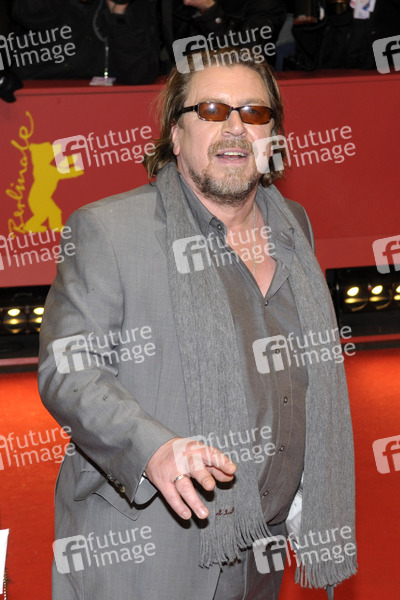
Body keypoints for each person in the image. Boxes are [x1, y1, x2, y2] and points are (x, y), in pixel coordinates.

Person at [38, 45, 357, 599]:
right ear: (175, 134)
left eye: (255, 113)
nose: (235, 128)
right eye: (211, 111)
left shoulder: (293, 226)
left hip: (263, 545)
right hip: (151, 550)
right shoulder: (109, 230)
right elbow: (68, 371)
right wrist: (152, 449)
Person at [8, 0, 159, 84]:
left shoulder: (138, 8)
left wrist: (119, 14)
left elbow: (140, 75)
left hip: (99, 110)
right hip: (37, 95)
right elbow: (26, 12)